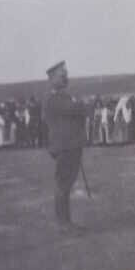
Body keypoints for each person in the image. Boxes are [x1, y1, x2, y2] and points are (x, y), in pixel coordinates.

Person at [44, 60, 88, 231]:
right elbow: (76, 110)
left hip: (71, 144)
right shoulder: (53, 97)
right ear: (52, 78)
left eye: (66, 75)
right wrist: (79, 105)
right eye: (62, 76)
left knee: (66, 184)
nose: (65, 78)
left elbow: (79, 110)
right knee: (63, 184)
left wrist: (79, 107)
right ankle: (63, 223)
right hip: (65, 145)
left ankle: (66, 221)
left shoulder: (63, 96)